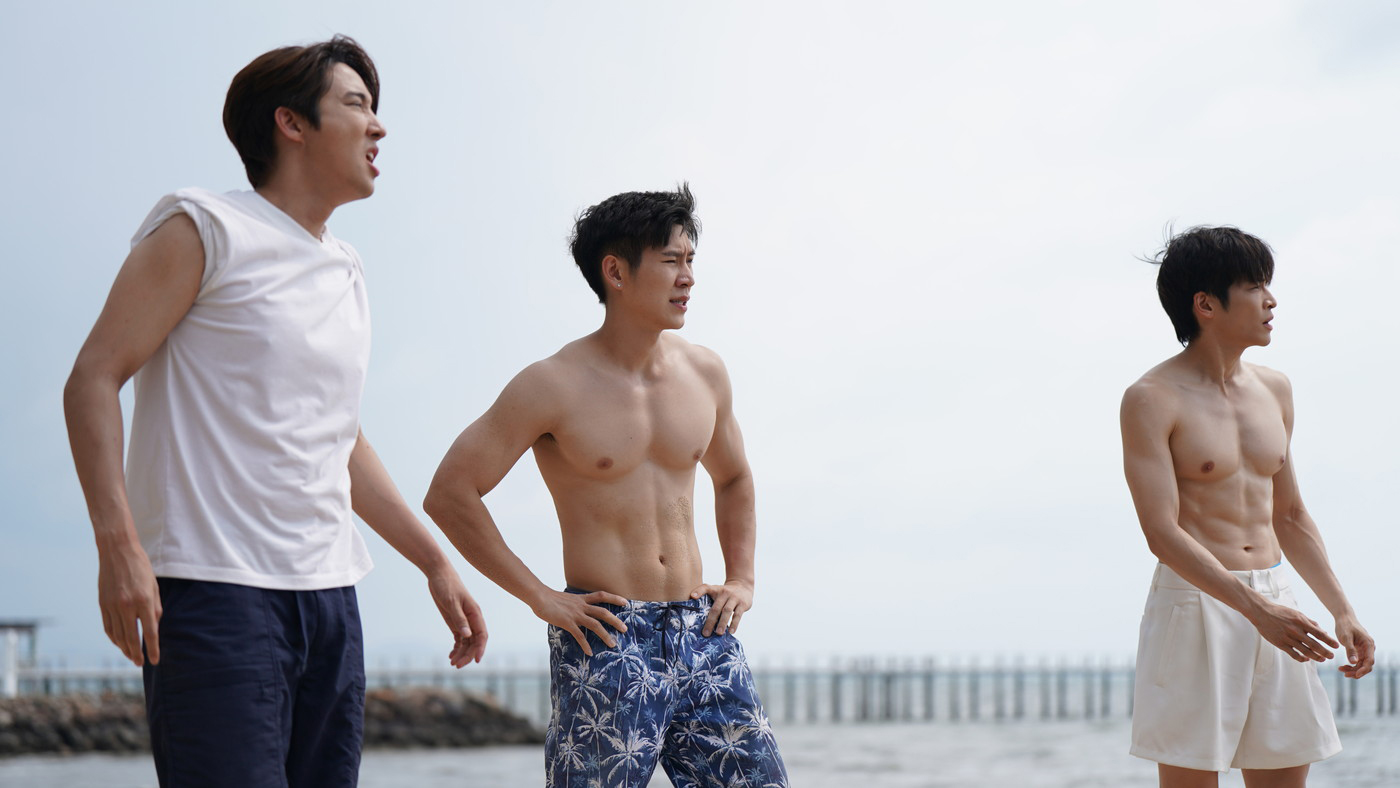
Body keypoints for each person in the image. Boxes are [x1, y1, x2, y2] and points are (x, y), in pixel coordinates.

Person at [63, 35, 486, 788]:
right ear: (291, 124)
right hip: (214, 591)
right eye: (356, 105)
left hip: (330, 599)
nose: (379, 126)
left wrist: (434, 562)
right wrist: (119, 548)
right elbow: (93, 379)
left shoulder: (346, 266)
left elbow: (341, 440)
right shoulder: (203, 227)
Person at [424, 184, 788, 788]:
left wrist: (742, 579)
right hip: (606, 636)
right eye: (670, 261)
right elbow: (450, 492)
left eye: (691, 260)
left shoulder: (705, 373)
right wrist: (540, 596)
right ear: (615, 272)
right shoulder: (552, 385)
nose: (688, 277)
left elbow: (734, 477)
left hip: (704, 632)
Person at [1120, 226, 1374, 787]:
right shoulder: (1151, 398)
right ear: (1206, 304)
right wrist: (1254, 610)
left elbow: (1290, 515)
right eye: (1255, 286)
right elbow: (1160, 532)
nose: (1271, 301)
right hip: (1196, 603)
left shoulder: (1275, 389)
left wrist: (1342, 610)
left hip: (1277, 599)